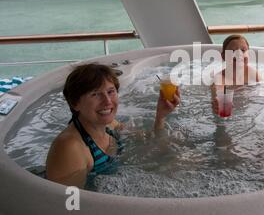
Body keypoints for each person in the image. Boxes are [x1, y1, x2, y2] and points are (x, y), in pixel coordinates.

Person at [46, 63, 180, 188]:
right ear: (75, 103)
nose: (107, 101)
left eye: (110, 92)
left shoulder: (110, 125)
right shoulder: (70, 147)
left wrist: (160, 116)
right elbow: (71, 203)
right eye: (95, 94)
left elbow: (149, 140)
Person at [211, 35, 261, 115]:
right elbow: (217, 91)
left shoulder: (253, 74)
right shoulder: (220, 78)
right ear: (223, 56)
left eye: (243, 50)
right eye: (232, 51)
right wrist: (218, 101)